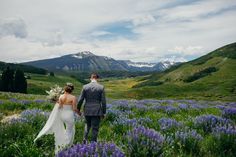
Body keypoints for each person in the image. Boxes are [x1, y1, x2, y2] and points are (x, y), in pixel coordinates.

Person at [34, 83, 78, 154]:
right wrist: (79, 113)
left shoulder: (61, 97)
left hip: (62, 115)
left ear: (65, 90)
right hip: (69, 115)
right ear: (71, 91)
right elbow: (74, 108)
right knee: (70, 130)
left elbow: (60, 107)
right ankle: (65, 146)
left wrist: (57, 102)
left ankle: (64, 144)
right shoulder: (73, 97)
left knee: (67, 129)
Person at [77, 73, 106, 143]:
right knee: (95, 128)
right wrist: (104, 112)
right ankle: (93, 144)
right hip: (97, 110)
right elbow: (103, 101)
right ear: (97, 78)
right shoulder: (101, 87)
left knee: (87, 125)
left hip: (87, 109)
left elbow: (81, 99)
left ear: (90, 78)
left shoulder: (85, 87)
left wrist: (78, 109)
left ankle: (84, 140)